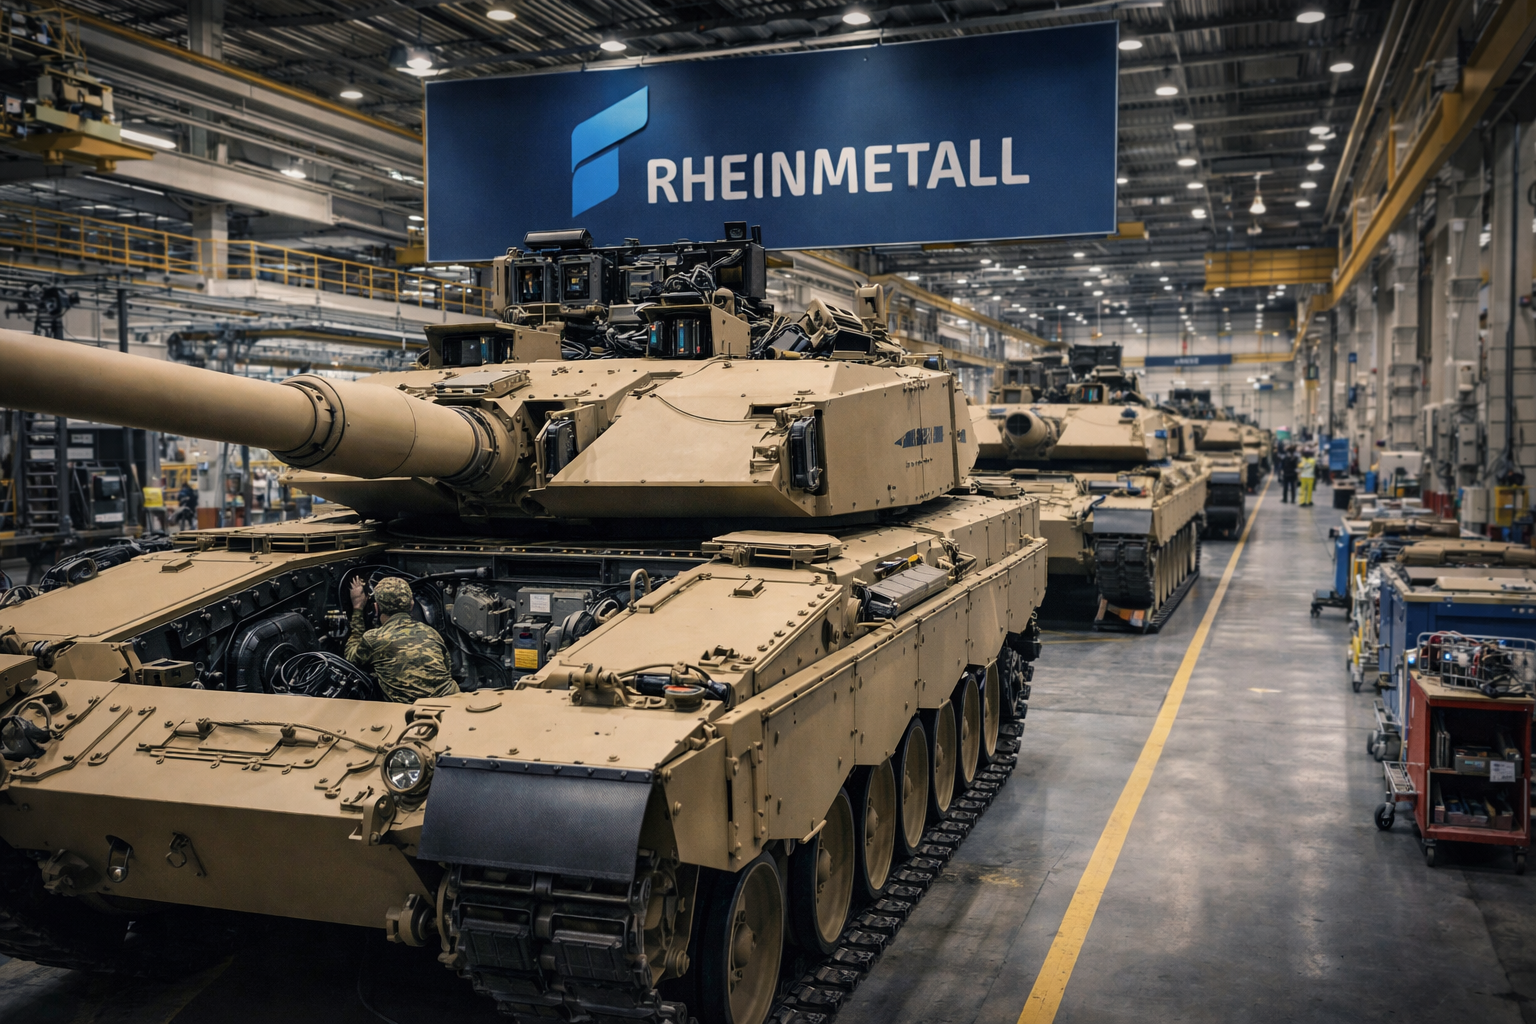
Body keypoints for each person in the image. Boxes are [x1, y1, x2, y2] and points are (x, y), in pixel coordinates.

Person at [346, 576, 459, 702]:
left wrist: (357, 607)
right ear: (412, 604)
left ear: (376, 607)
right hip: (450, 703)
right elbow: (447, 668)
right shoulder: (431, 633)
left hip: (408, 709)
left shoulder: (374, 638)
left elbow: (350, 657)